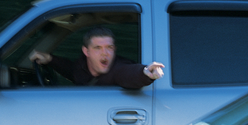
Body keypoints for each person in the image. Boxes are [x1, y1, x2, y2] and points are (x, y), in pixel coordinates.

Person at [28, 26, 165, 89]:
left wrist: (145, 73)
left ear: (114, 50)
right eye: (98, 48)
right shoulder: (81, 67)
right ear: (86, 51)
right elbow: (71, 69)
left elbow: (128, 73)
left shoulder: (118, 69)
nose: (105, 53)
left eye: (109, 48)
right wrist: (50, 59)